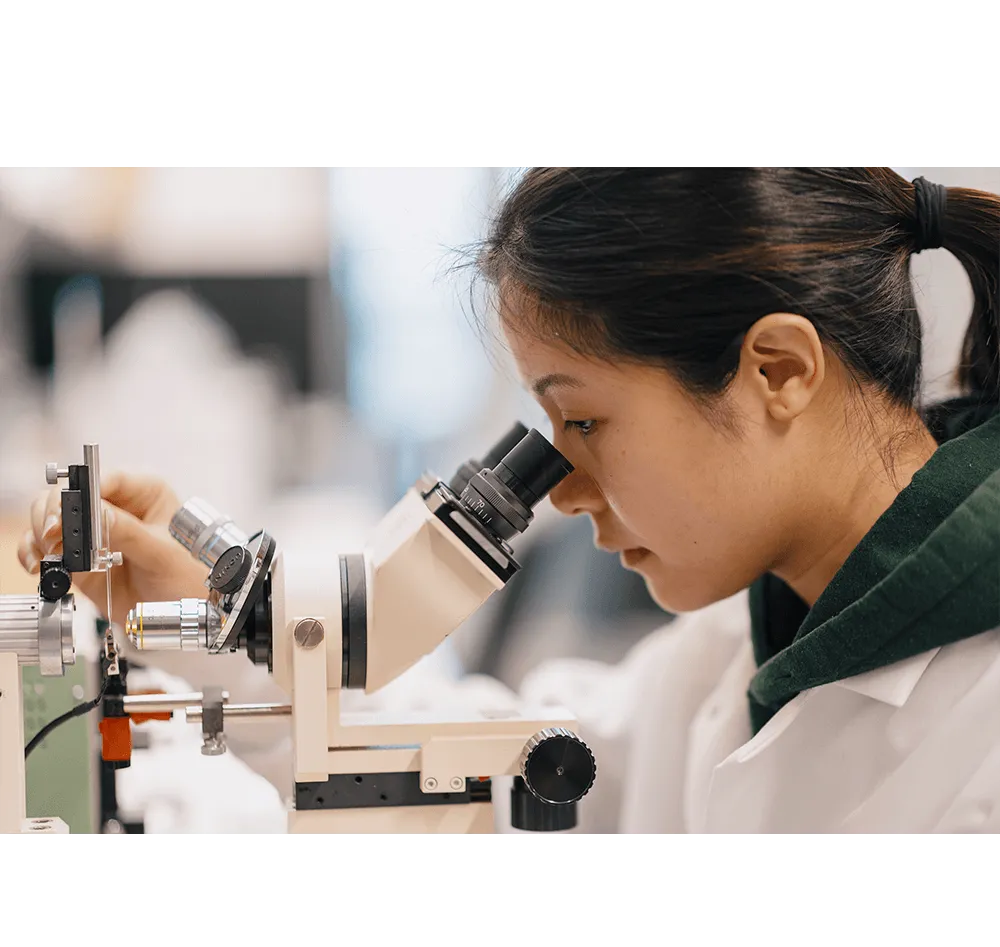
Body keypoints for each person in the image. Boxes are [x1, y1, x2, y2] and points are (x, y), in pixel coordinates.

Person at [19, 164, 1000, 836]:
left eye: (581, 422)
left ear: (777, 370)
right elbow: (486, 783)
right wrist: (209, 619)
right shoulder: (746, 643)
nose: (560, 491)